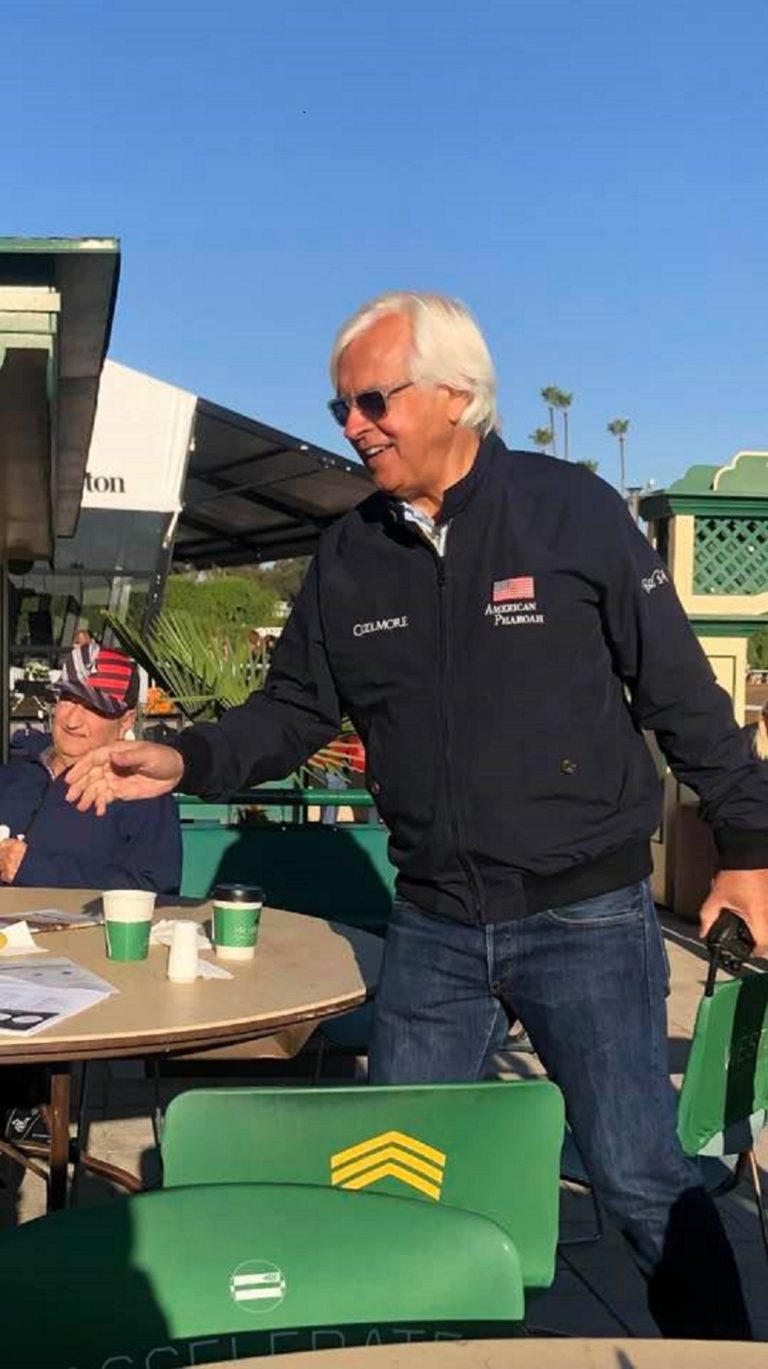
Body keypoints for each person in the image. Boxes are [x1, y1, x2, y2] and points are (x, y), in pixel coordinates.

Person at [65, 292, 768, 1339]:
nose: (352, 423)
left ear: (456, 393)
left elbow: (681, 693)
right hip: (434, 927)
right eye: (342, 403)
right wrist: (186, 756)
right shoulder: (349, 553)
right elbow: (293, 710)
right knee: (397, 1177)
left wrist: (750, 852)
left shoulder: (570, 510)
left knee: (636, 1178)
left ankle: (720, 1357)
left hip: (588, 919)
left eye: (372, 399)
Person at [0, 642, 181, 893]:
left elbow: (156, 892)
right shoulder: (12, 774)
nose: (72, 721)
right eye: (68, 699)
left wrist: (34, 869)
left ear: (125, 720)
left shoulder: (143, 793)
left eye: (93, 707)